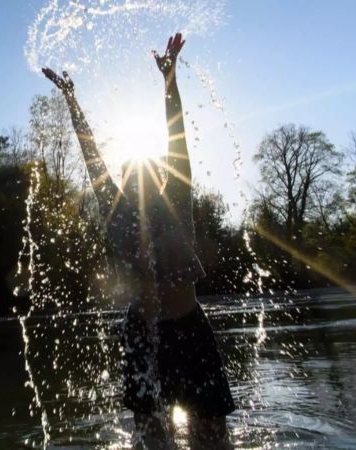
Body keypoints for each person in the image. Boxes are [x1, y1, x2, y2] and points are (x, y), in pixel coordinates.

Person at [42, 32, 236, 448]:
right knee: (153, 440)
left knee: (213, 440)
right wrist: (72, 100)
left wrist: (170, 80)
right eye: (133, 175)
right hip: (142, 335)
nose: (139, 180)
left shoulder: (177, 205)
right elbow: (90, 151)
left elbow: (176, 139)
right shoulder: (117, 214)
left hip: (188, 330)